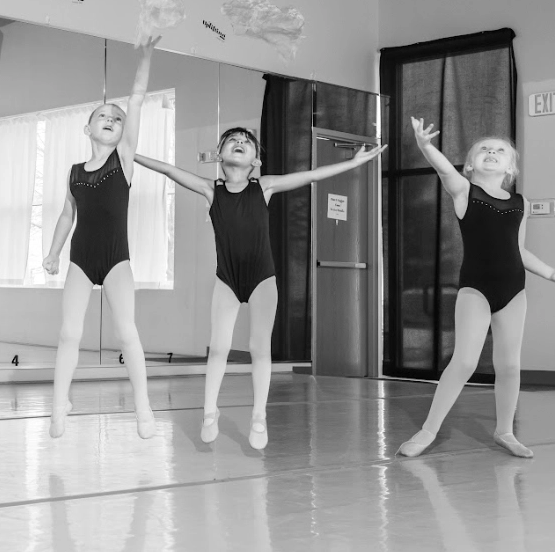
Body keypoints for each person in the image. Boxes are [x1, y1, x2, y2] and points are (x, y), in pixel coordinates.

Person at [135, 126, 383, 449]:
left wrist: (353, 163)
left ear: (255, 162)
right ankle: (210, 412)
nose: (240, 143)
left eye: (247, 143)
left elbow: (311, 175)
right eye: (233, 141)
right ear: (220, 156)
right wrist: (129, 154)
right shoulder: (212, 191)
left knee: (258, 347)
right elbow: (168, 170)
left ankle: (258, 416)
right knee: (219, 346)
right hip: (227, 279)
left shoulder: (263, 187)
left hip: (262, 279)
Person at [397, 120, 555, 459]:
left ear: (511, 167)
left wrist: (554, 274)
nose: (492, 153)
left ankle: (505, 431)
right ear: (469, 165)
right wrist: (425, 147)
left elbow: (519, 250)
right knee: (464, 361)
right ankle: (428, 430)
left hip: (514, 290)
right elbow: (443, 172)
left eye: (500, 151)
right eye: (485, 149)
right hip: (476, 290)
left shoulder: (520, 203)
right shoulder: (466, 193)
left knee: (510, 365)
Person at [42, 39, 161, 440]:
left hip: (115, 259)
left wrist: (144, 61)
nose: (111, 119)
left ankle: (143, 408)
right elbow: (66, 214)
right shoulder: (74, 170)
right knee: (68, 333)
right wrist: (53, 252)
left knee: (127, 331)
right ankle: (60, 408)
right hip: (80, 258)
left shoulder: (122, 160)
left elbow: (138, 101)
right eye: (103, 116)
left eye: (116, 118)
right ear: (87, 127)